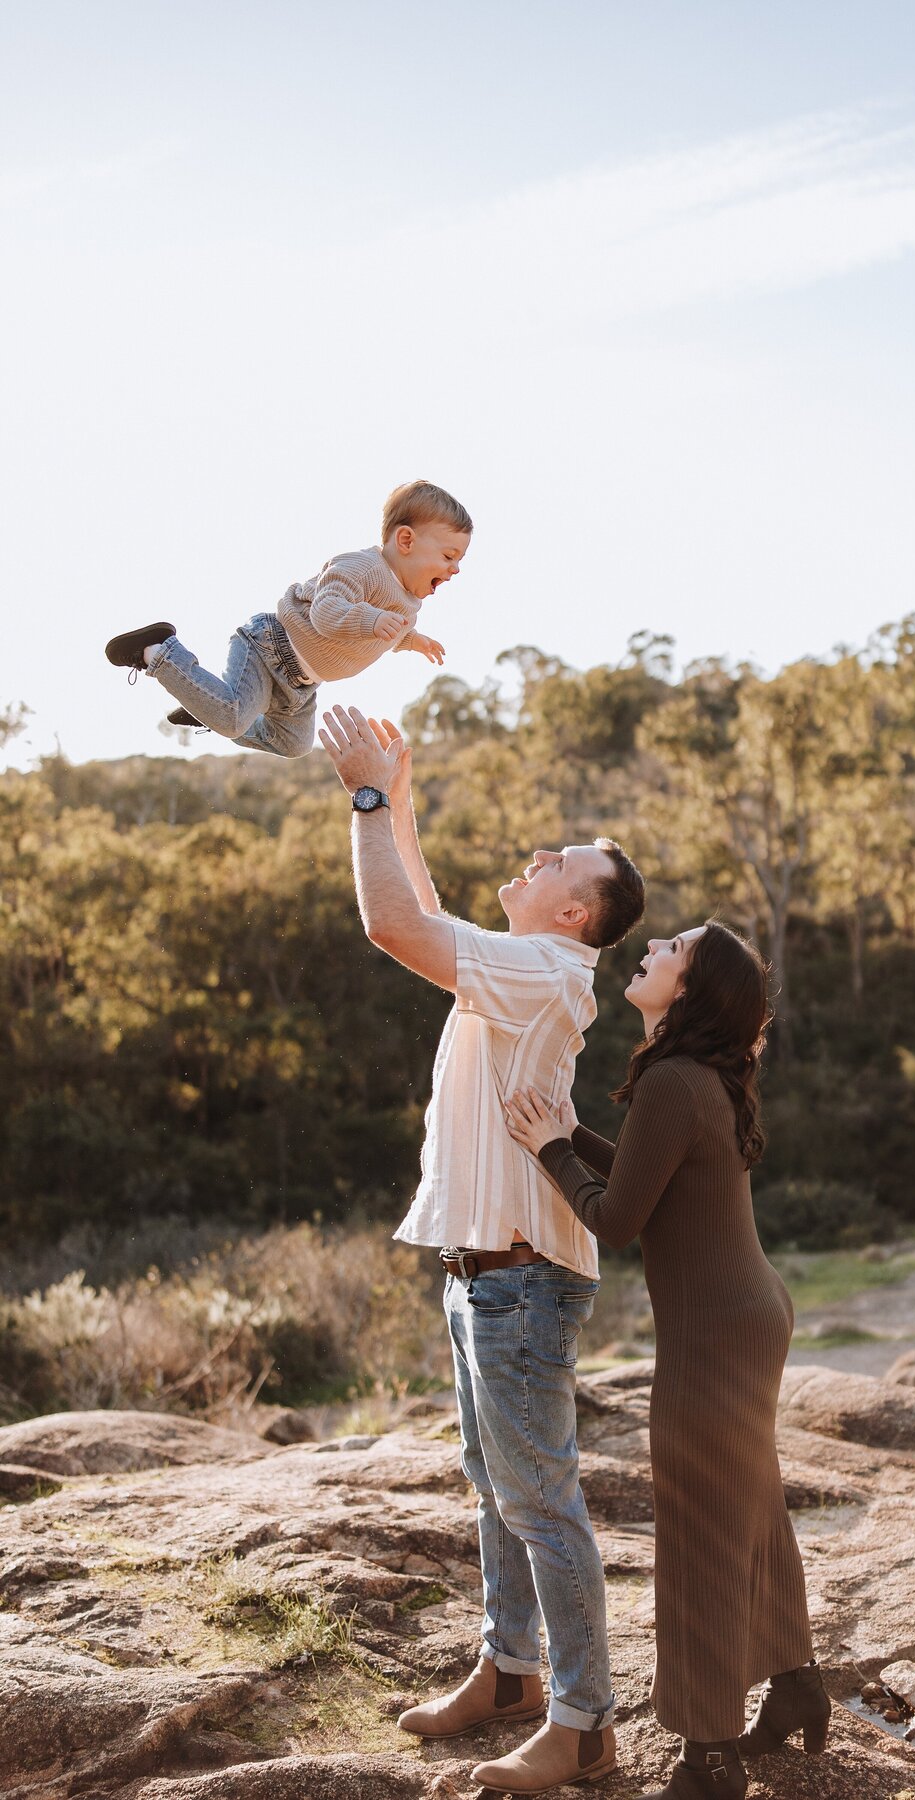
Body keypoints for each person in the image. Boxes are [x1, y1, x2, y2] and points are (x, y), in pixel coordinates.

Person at [319, 703, 646, 1796]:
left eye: (568, 858)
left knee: (541, 1504)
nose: (545, 851)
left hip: (519, 1282)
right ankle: (509, 1673)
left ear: (574, 908)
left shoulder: (549, 972)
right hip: (480, 1274)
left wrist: (368, 797)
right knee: (494, 1488)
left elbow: (394, 927)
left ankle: (584, 1721)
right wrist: (397, 790)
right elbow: (422, 906)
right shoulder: (519, 962)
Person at [505, 920, 831, 1800]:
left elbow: (614, 1220)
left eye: (673, 948)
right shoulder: (696, 1082)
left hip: (718, 1332)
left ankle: (709, 1755)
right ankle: (796, 1683)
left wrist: (548, 1150)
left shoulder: (678, 1081)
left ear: (687, 990)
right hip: (748, 1313)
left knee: (699, 1530)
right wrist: (569, 1138)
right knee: (750, 1503)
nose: (652, 947)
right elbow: (656, 1189)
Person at [103, 479, 469, 756]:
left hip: (301, 683)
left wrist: (411, 640)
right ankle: (159, 650)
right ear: (405, 541)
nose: (455, 570)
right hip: (270, 649)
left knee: (294, 746)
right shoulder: (362, 567)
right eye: (449, 556)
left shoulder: (407, 601)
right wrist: (371, 621)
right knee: (233, 718)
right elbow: (327, 614)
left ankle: (207, 707)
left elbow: (387, 632)